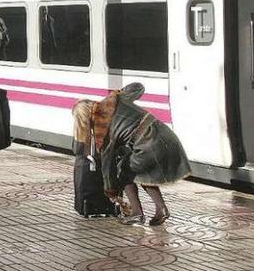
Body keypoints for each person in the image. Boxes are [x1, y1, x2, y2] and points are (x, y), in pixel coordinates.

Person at [72, 83, 191, 226]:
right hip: (165, 134)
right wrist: (119, 93)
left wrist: (111, 190)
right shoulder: (113, 101)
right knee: (141, 173)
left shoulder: (101, 129)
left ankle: (137, 214)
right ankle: (161, 209)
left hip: (149, 142)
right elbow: (138, 87)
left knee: (124, 172)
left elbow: (107, 164)